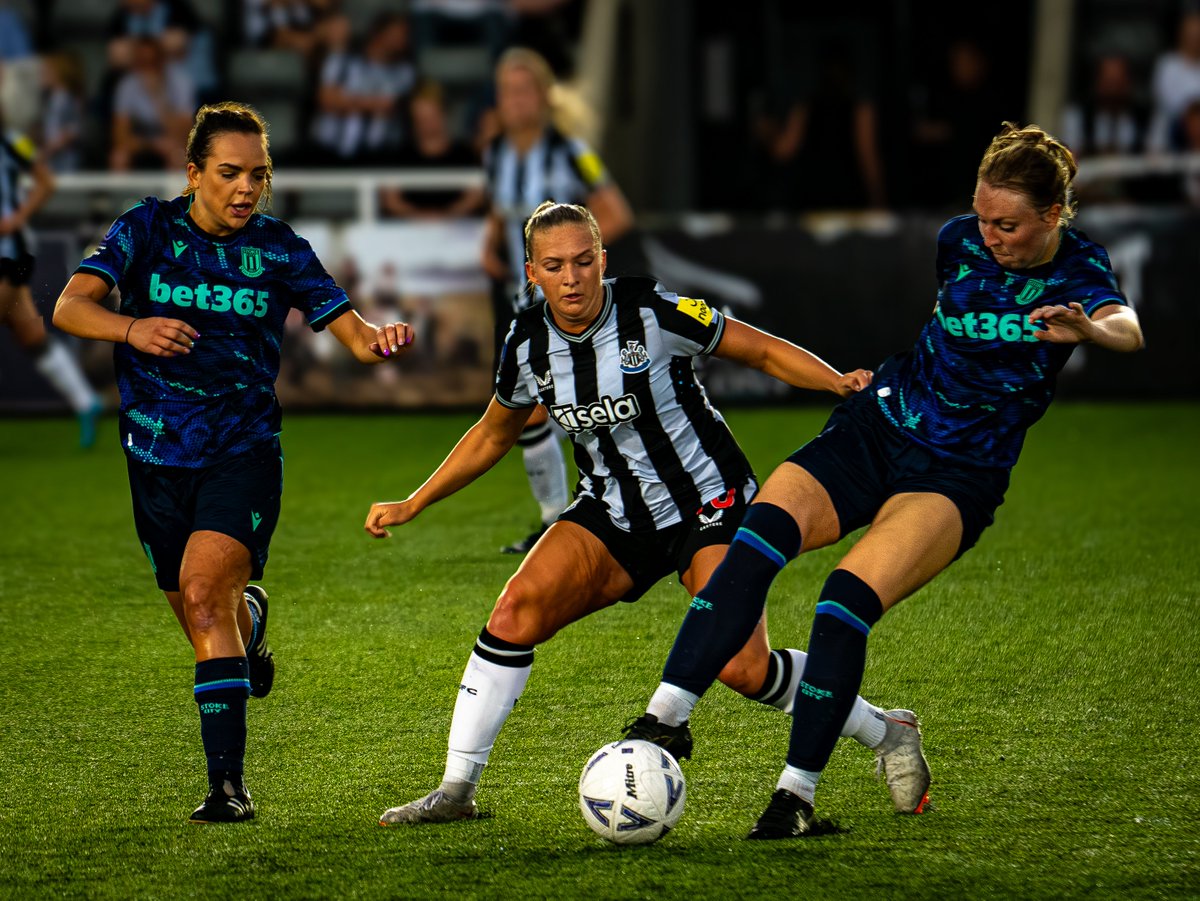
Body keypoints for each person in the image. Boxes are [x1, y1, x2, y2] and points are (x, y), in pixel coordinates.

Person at [624, 122, 1145, 839]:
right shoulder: (956, 240)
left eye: (1009, 224)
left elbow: (1129, 327)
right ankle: (662, 722)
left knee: (842, 601)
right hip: (878, 425)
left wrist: (1092, 331)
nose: (990, 235)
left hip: (957, 472)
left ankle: (794, 796)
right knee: (756, 540)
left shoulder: (1079, 274)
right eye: (983, 215)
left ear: (1054, 214)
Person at [364, 201, 927, 826]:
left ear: (603, 260)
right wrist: (415, 501)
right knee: (513, 612)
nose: (572, 277)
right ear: (532, 273)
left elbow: (760, 351)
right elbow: (494, 433)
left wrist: (835, 382)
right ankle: (456, 791)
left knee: (742, 666)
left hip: (707, 503)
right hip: (613, 511)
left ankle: (886, 730)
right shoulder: (526, 343)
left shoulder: (653, 312)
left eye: (584, 261)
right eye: (555, 266)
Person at [52, 101, 414, 823]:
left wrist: (381, 337)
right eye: (229, 173)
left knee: (202, 593)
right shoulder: (146, 229)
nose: (246, 188)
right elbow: (68, 306)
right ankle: (251, 619)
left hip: (242, 451)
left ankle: (227, 785)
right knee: (201, 610)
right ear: (192, 174)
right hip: (153, 456)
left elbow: (353, 332)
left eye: (259, 174)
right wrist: (133, 327)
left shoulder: (279, 249)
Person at [482, 47, 634, 554]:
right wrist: (489, 246)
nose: (516, 101)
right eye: (507, 91)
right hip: (517, 298)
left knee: (582, 404)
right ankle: (553, 522)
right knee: (527, 410)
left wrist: (571, 262)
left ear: (545, 96)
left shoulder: (572, 151)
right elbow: (499, 215)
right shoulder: (496, 152)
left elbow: (615, 213)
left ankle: (612, 509)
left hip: (565, 305)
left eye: (525, 90)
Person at [0, 106, 102, 446]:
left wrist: (17, 217)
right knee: (30, 336)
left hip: (9, 252)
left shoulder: (12, 142)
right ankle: (87, 402)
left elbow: (45, 181)